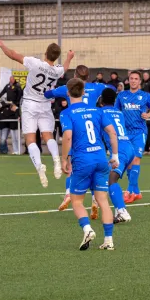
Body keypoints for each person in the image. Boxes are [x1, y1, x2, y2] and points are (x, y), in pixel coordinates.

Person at [0, 39, 74, 187]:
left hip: (30, 104)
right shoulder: (57, 70)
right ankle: (56, 160)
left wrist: (2, 45)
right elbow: (65, 68)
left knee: (30, 139)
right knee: (48, 135)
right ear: (56, 57)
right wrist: (69, 58)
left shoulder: (35, 63)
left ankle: (39, 167)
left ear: (45, 53)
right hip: (44, 104)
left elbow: (12, 55)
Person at [59, 79, 119, 251]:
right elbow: (112, 132)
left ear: (68, 93)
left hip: (83, 161)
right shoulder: (97, 111)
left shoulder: (66, 113)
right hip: (101, 159)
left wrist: (64, 159)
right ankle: (108, 240)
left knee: (77, 200)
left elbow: (68, 136)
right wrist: (115, 156)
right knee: (103, 201)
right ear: (84, 92)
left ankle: (87, 229)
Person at [45, 65, 115, 211]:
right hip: (94, 127)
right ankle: (95, 198)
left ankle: (68, 193)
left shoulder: (68, 88)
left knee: (73, 164)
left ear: (75, 76)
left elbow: (48, 94)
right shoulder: (97, 87)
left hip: (75, 127)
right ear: (88, 76)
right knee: (95, 164)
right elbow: (112, 89)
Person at [115, 70, 150, 204]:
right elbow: (115, 111)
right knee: (128, 162)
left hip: (139, 132)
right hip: (125, 133)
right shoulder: (122, 96)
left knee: (136, 159)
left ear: (140, 81)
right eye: (131, 78)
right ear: (128, 80)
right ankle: (136, 191)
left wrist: (148, 115)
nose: (133, 81)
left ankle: (129, 191)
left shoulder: (145, 96)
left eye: (136, 79)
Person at [98, 88, 135, 224]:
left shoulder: (100, 112)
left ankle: (122, 211)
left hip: (120, 150)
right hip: (129, 147)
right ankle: (118, 212)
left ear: (101, 100)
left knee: (111, 180)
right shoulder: (119, 113)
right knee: (113, 179)